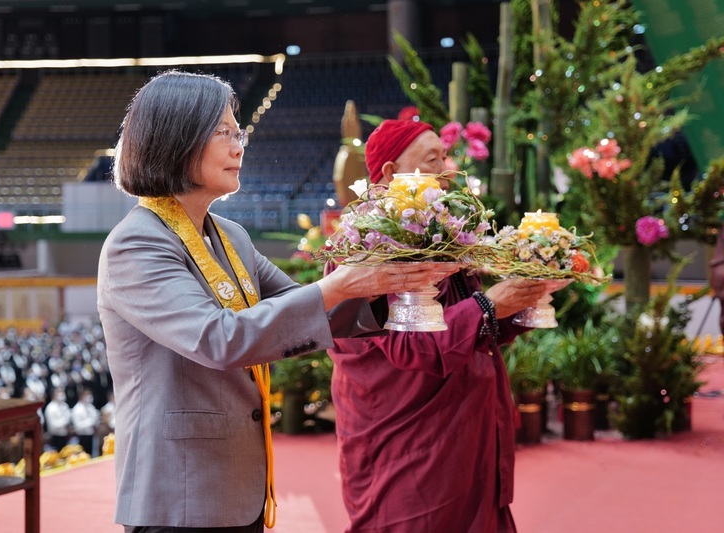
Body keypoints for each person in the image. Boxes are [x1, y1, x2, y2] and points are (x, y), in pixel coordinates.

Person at [96, 72, 457, 532]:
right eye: (224, 133)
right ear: (177, 138)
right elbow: (218, 339)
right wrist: (342, 283)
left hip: (236, 482)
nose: (238, 148)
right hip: (176, 492)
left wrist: (386, 283)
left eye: (239, 134)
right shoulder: (137, 243)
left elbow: (303, 310)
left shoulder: (230, 236)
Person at [327, 119, 556, 532]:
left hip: (464, 432)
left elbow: (472, 327)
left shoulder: (435, 233)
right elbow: (414, 347)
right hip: (410, 445)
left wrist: (522, 300)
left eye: (446, 156)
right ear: (391, 173)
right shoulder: (368, 244)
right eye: (433, 159)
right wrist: (490, 304)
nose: (448, 170)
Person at [71, 388, 100, 456]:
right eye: (87, 394)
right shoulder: (77, 409)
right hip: (82, 436)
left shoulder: (91, 407)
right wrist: (90, 422)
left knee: (92, 454)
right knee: (83, 454)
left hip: (91, 434)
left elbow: (96, 418)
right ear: (81, 396)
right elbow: (78, 426)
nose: (89, 396)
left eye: (90, 394)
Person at [43, 387, 71, 453]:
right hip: (55, 436)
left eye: (62, 392)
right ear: (53, 395)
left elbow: (68, 417)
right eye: (59, 392)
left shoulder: (65, 405)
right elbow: (53, 425)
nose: (61, 394)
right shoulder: (50, 407)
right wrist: (64, 423)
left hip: (65, 434)